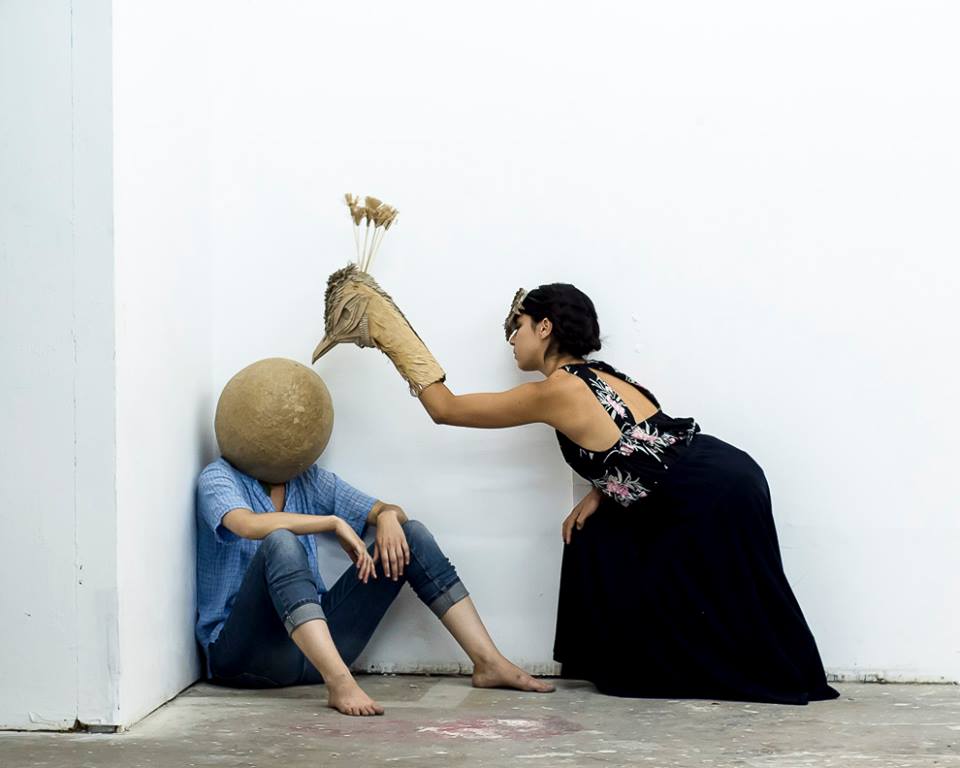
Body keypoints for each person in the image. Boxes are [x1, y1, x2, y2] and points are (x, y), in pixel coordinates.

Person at [317, 276, 838, 704]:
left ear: (544, 327)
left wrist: (391, 336)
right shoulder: (598, 376)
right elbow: (638, 441)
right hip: (725, 473)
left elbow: (445, 409)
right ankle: (624, 662)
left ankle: (668, 670)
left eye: (519, 327)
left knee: (730, 600)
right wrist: (599, 491)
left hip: (710, 492)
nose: (512, 339)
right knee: (599, 537)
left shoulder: (556, 390)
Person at [195, 458, 554, 717]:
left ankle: (488, 662)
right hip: (244, 657)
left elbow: (386, 509)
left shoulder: (306, 477)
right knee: (280, 541)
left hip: (312, 654)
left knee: (410, 534)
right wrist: (331, 522)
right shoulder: (218, 476)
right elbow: (246, 525)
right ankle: (340, 683)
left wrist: (386, 517)